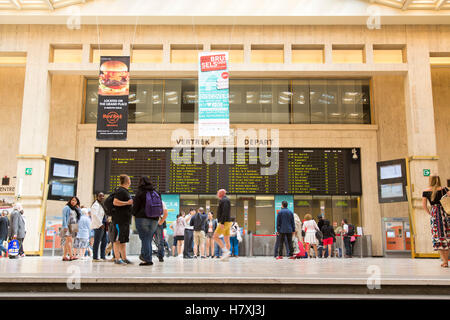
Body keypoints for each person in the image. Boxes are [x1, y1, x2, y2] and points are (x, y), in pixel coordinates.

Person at [132, 176, 164, 266]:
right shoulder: (156, 192)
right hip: (154, 219)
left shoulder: (140, 192)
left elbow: (135, 207)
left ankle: (147, 259)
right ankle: (144, 256)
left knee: (145, 239)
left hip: (142, 218)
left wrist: (133, 213)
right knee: (148, 238)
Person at [422, 175, 450, 268]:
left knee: (438, 237)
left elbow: (424, 205)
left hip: (435, 215)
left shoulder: (425, 191)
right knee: (446, 237)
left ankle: (444, 261)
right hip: (445, 213)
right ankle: (446, 261)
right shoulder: (444, 189)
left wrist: (430, 213)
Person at [112, 174, 133, 265]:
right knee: (117, 240)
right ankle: (117, 258)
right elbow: (115, 202)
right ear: (127, 181)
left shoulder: (125, 191)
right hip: (119, 220)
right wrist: (127, 202)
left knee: (123, 240)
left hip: (125, 220)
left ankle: (124, 258)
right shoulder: (120, 190)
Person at [213, 189, 232, 261]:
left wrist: (222, 223)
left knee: (215, 236)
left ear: (221, 194)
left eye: (218, 193)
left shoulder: (224, 200)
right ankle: (226, 256)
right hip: (227, 222)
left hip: (224, 222)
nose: (217, 194)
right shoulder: (226, 200)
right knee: (226, 239)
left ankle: (225, 251)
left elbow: (225, 212)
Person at [61, 197, 82, 261]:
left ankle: (64, 256)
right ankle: (71, 256)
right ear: (70, 200)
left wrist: (79, 209)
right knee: (69, 241)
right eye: (72, 200)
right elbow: (64, 217)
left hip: (74, 225)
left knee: (68, 242)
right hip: (67, 225)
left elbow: (79, 216)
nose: (73, 202)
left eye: (75, 201)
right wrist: (65, 226)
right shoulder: (66, 207)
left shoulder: (76, 209)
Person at [91, 192, 107, 261]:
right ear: (97, 197)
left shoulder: (101, 205)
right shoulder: (95, 205)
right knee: (97, 242)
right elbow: (95, 215)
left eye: (103, 196)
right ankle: (95, 257)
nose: (102, 197)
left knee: (104, 241)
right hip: (99, 226)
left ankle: (103, 256)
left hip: (103, 224)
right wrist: (100, 224)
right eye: (100, 196)